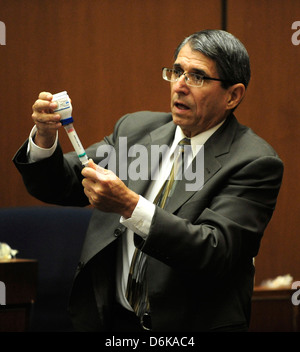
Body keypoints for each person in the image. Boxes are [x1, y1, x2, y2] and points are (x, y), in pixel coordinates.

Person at [13, 29, 283, 332]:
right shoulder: (137, 129)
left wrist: (131, 207)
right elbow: (63, 185)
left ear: (233, 95)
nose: (179, 86)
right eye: (177, 71)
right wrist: (45, 138)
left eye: (197, 77)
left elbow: (214, 250)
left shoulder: (254, 161)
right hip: (110, 320)